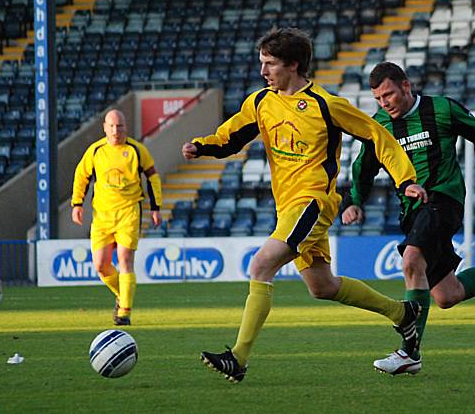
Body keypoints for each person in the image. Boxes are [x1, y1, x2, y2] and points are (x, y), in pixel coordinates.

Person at [182, 28, 427, 383]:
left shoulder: (325, 105)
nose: (263, 71)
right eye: (262, 63)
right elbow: (231, 136)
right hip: (288, 208)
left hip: (314, 202)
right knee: (322, 287)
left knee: (261, 265)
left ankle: (238, 357)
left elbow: (378, 135)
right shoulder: (261, 101)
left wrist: (405, 179)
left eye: (270, 64)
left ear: (293, 65)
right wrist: (202, 146)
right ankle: (403, 314)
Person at [341, 62, 475, 375]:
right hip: (411, 210)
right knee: (446, 295)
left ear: (406, 86)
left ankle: (409, 353)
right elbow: (364, 166)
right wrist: (354, 200)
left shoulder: (441, 109)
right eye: (378, 99)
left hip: (444, 199)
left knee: (412, 260)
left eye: (389, 95)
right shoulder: (380, 123)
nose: (384, 103)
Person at [71, 109, 162, 325]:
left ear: (125, 127)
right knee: (101, 265)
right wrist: (77, 204)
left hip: (129, 211)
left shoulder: (136, 150)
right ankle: (122, 295)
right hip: (101, 215)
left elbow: (153, 177)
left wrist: (155, 207)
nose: (115, 130)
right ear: (104, 127)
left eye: (119, 126)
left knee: (124, 259)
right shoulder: (95, 151)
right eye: (111, 126)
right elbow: (81, 176)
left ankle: (124, 313)